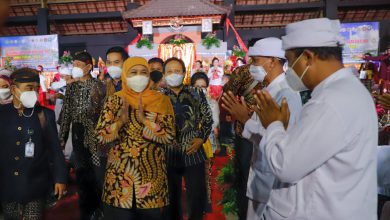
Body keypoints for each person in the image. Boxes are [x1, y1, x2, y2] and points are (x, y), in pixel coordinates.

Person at [252, 18, 377, 219]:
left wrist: (273, 124)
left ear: (308, 58)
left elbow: (285, 165)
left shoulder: (331, 101)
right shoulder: (347, 91)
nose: (289, 70)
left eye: (291, 62)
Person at [222, 37, 302, 219]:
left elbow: (283, 139)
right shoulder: (269, 90)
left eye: (256, 61)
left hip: (274, 184)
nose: (252, 66)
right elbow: (264, 130)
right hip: (262, 175)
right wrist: (246, 119)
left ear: (273, 61)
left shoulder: (286, 92)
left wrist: (245, 119)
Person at [96, 57, 176, 220]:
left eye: (143, 72)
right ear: (126, 74)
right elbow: (100, 136)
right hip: (119, 179)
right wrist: (119, 122)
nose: (139, 76)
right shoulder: (114, 100)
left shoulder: (161, 100)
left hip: (152, 179)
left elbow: (169, 136)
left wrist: (145, 120)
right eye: (133, 72)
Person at [0, 68, 67, 220]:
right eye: (29, 88)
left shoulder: (44, 114)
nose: (34, 92)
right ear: (13, 89)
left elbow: (55, 150)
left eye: (36, 88)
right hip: (7, 184)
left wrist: (60, 178)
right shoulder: (2, 113)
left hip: (35, 183)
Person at [161, 57, 213, 220]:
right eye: (169, 71)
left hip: (194, 151)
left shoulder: (196, 92)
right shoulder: (159, 97)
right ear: (164, 74)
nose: (173, 74)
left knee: (197, 196)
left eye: (177, 71)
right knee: (171, 197)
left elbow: (207, 118)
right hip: (168, 154)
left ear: (184, 73)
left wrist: (200, 139)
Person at [58, 51, 106, 220]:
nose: (75, 68)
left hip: (98, 136)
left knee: (100, 177)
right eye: (74, 65)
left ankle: (101, 213)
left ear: (88, 67)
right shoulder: (71, 87)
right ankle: (86, 213)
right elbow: (65, 116)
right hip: (78, 135)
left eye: (78, 65)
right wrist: (61, 140)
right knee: (82, 178)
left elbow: (108, 114)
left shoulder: (101, 86)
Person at [222, 62, 260, 220]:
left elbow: (228, 91)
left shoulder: (243, 70)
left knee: (245, 173)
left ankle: (245, 213)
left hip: (246, 128)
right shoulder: (278, 69)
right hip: (263, 127)